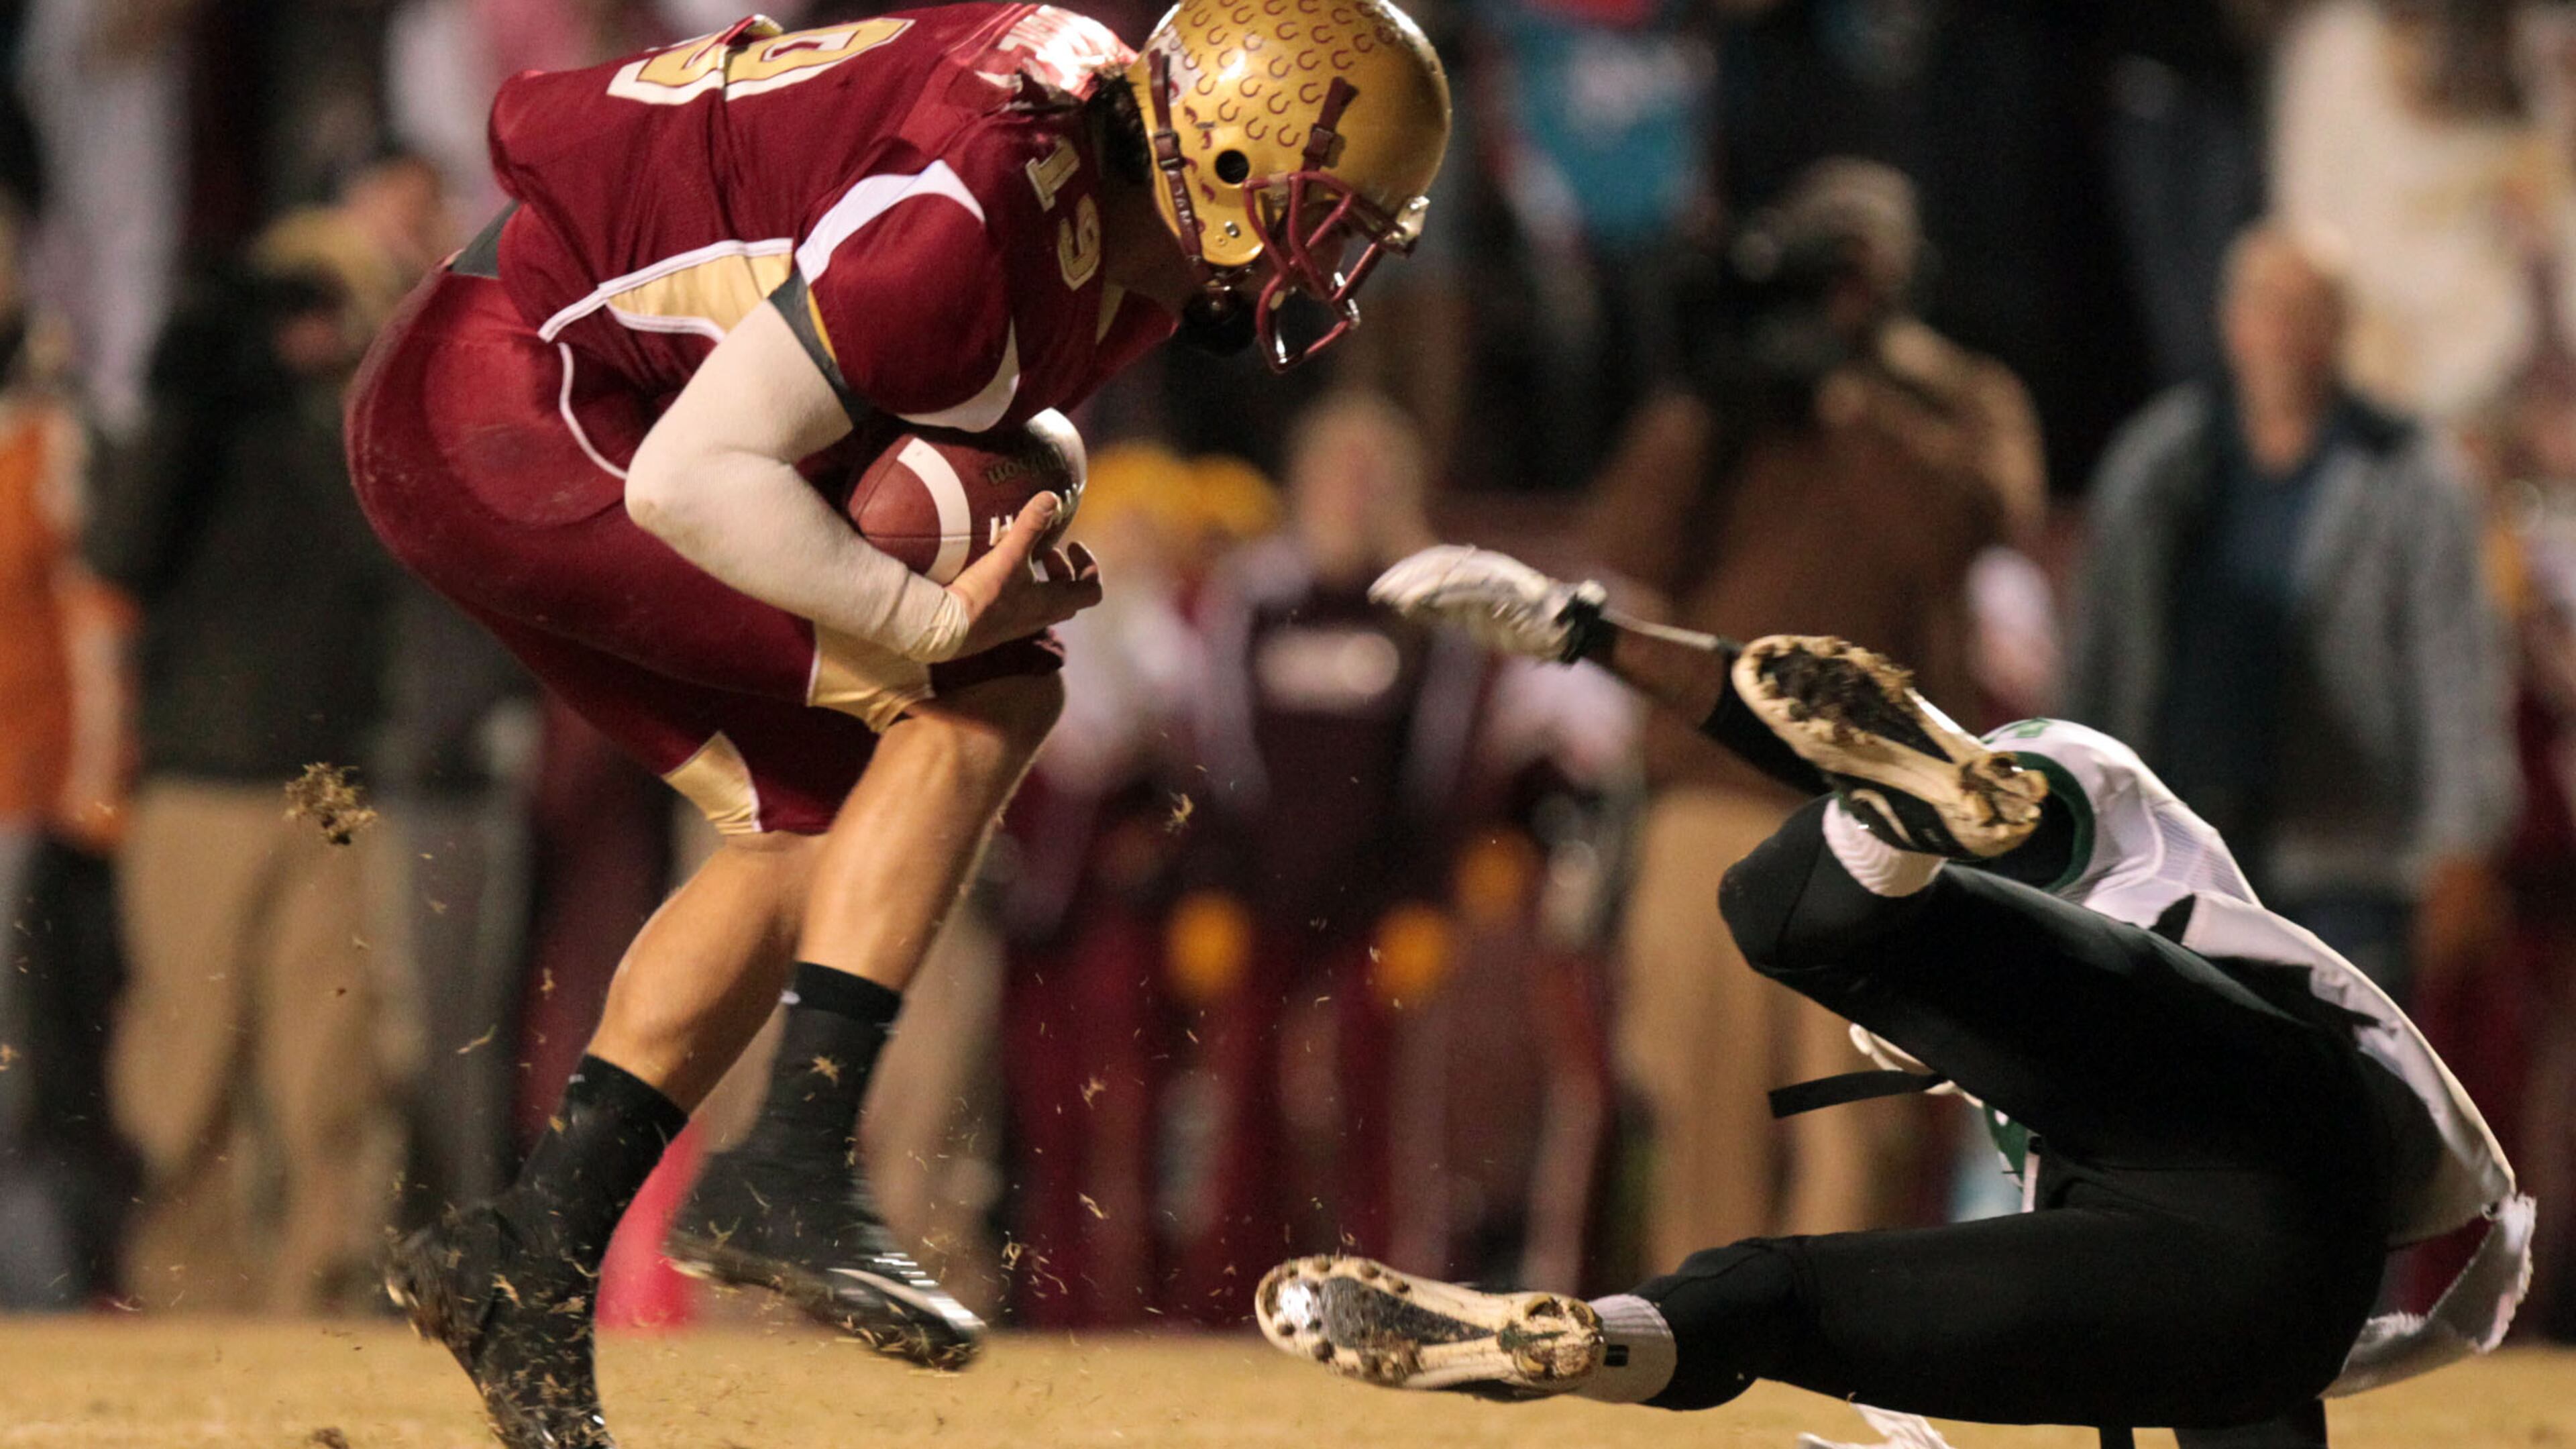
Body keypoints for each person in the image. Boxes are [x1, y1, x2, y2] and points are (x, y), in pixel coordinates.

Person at [350, 6, 1450, 1446]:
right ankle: (793, 1155)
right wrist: (924, 619)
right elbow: (696, 477)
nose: (1330, 260)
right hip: (518, 401)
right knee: (984, 692)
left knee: (806, 820)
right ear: (1226, 148)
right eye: (1323, 215)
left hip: (573, 380)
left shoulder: (1104, 200)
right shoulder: (972, 218)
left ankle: (534, 1261)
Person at [1252, 544, 2532, 1449]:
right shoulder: (2056, 1053)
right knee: (1775, 1293)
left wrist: (1591, 635)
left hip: (2237, 1088)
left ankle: (1894, 820)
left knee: (1801, 903)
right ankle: (1584, 1341)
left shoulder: (2104, 828)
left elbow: (1929, 770)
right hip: (2269, 1301)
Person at [1585, 156, 2040, 1268]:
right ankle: (1702, 1360)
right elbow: (1634, 548)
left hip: (1878, 820)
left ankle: (1838, 1374)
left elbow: (1959, 537)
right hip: (1707, 806)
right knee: (1700, 1112)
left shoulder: (1959, 395)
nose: (1843, 289)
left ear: (1904, 272)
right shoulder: (1728, 402)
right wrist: (1716, 395)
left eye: (1863, 259)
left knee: (1860, 1123)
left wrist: (1851, 397)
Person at [2068, 224, 2517, 997]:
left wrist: (2460, 840)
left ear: (2340, 326)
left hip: (2348, 855)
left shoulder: (2406, 474)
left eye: (2305, 309)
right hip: (2177, 845)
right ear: (2229, 321)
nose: (2281, 332)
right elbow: (2102, 645)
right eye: (2264, 306)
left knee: (2335, 1084)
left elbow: (2455, 662)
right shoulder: (2164, 463)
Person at [89, 252, 402, 1313]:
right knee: (188, 1066)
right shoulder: (194, 439)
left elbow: (391, 584)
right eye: (293, 318)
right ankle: (189, 1289)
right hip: (201, 784)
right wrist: (188, 393)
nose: (316, 335)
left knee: (336, 1062)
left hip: (329, 787)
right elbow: (120, 552)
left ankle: (326, 1289)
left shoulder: (344, 438)